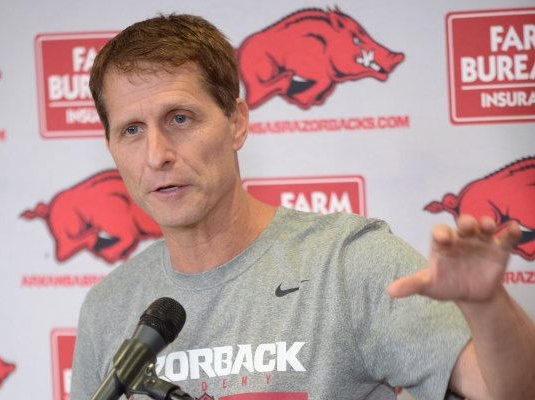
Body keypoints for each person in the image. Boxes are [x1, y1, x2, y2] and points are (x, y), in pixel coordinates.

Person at [71, 13, 535, 400]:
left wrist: (489, 307)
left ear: (236, 123)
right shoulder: (108, 308)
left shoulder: (349, 260)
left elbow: (508, 391)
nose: (157, 155)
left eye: (180, 118)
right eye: (131, 129)